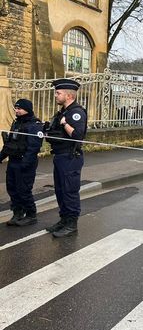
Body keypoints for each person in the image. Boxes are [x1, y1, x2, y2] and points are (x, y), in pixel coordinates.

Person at [45, 79, 87, 238]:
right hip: (60, 156)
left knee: (69, 191)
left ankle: (71, 224)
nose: (56, 95)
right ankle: (64, 220)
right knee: (60, 190)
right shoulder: (62, 112)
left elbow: (78, 136)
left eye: (58, 93)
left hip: (70, 157)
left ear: (69, 95)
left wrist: (65, 124)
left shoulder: (76, 113)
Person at [1, 99, 43, 226]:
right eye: (16, 108)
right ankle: (18, 213)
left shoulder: (34, 124)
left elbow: (34, 147)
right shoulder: (16, 123)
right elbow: (9, 144)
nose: (16, 110)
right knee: (12, 189)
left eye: (19, 108)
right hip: (13, 162)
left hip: (25, 163)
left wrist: (25, 164)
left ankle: (31, 214)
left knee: (23, 190)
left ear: (27, 109)